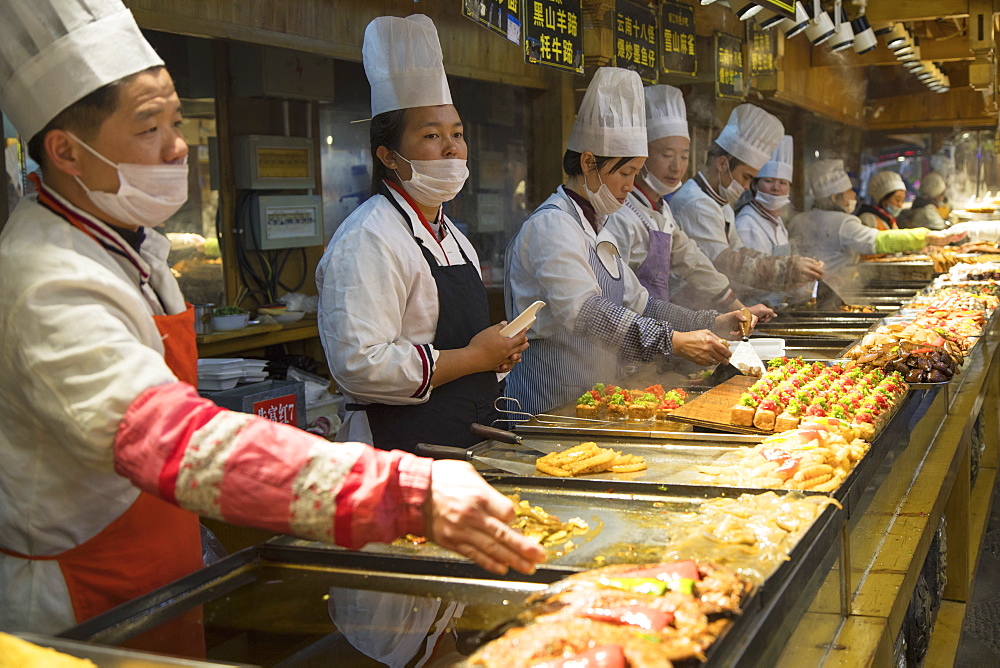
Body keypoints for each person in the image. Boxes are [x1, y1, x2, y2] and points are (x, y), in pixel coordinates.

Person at [0, 2, 544, 636]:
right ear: (67, 150)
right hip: (81, 595)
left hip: (161, 563)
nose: (180, 146)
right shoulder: (45, 277)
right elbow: (167, 437)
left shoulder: (133, 250)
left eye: (177, 121)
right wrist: (399, 491)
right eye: (150, 128)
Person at [316, 15, 526, 453]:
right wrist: (473, 357)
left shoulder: (452, 235)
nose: (452, 147)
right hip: (397, 447)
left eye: (457, 133)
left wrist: (496, 357)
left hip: (465, 438)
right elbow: (360, 364)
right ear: (388, 156)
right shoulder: (368, 238)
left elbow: (460, 345)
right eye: (431, 135)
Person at [504, 67, 753, 416]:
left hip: (595, 401)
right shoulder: (552, 226)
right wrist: (673, 342)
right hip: (549, 407)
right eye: (624, 173)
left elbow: (643, 304)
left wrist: (709, 322)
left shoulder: (596, 225)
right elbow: (587, 314)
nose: (629, 184)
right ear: (589, 162)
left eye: (636, 173)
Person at [604, 85, 774, 320]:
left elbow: (691, 260)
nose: (677, 167)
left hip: (659, 334)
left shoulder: (660, 208)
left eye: (684, 156)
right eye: (666, 155)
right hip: (629, 338)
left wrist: (738, 308)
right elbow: (615, 301)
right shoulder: (620, 213)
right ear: (641, 157)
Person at [669, 104, 824, 309]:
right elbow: (724, 262)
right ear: (722, 164)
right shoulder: (695, 203)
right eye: (746, 177)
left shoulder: (720, 203)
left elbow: (739, 250)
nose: (745, 186)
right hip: (690, 308)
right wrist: (785, 270)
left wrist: (790, 266)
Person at [788, 160, 962, 308]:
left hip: (800, 295)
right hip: (833, 294)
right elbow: (879, 240)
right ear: (835, 198)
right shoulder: (843, 223)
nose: (853, 195)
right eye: (849, 192)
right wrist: (927, 236)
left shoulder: (799, 219)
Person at [733, 135, 810, 307]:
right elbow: (743, 279)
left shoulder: (778, 222)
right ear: (755, 184)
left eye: (782, 182)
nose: (776, 188)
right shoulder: (746, 223)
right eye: (768, 181)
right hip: (755, 309)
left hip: (777, 308)